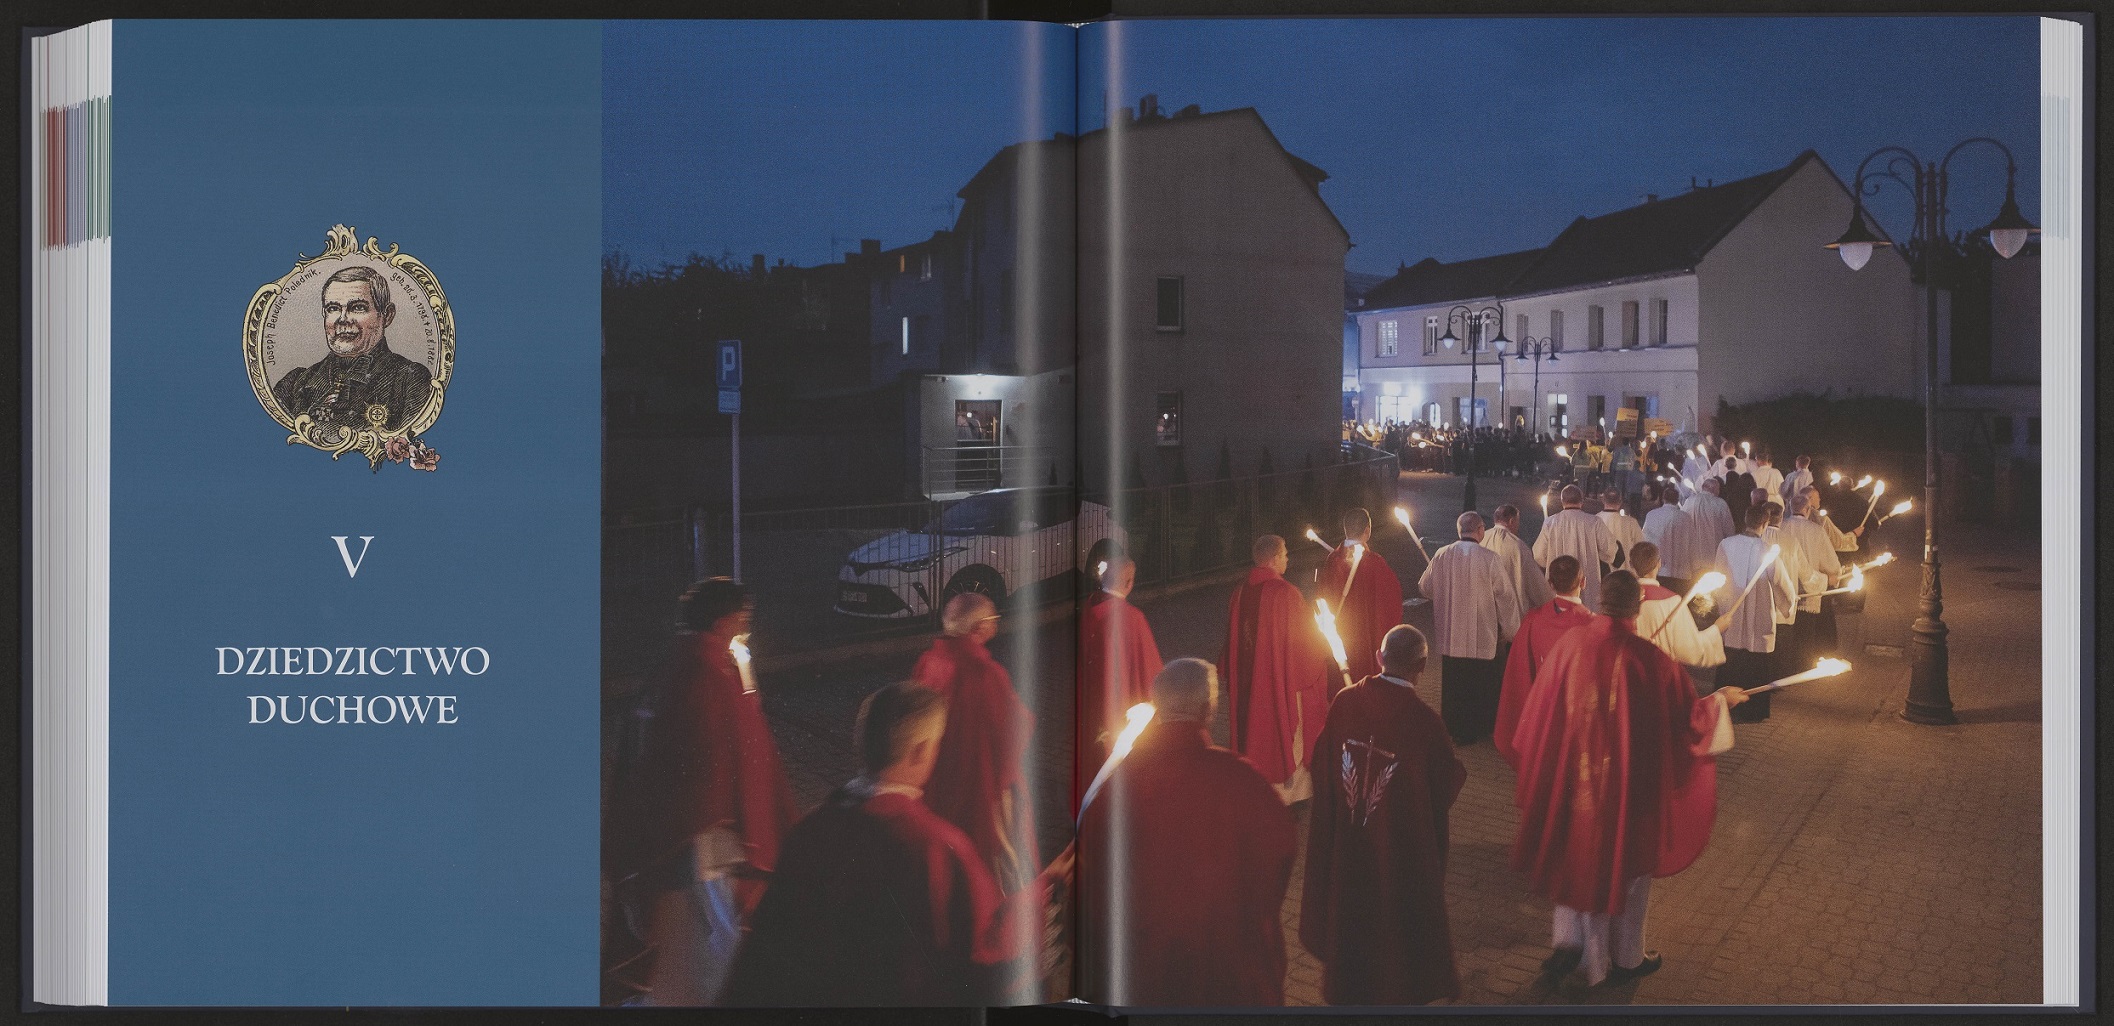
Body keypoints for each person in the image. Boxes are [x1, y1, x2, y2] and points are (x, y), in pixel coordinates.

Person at [723, 683, 1073, 1006]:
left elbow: (769, 949)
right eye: (937, 744)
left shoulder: (810, 829)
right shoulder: (938, 847)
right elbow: (988, 950)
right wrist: (1043, 888)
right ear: (920, 752)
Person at [1511, 571, 1749, 988]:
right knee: (1628, 870)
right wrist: (1720, 702)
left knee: (1575, 856)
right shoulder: (1649, 659)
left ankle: (1569, 944)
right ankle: (1620, 958)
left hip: (1574, 778)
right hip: (1625, 786)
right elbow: (1686, 720)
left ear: (1601, 601)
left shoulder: (1570, 645)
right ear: (1637, 607)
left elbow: (1541, 708)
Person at [615, 578, 797, 1006]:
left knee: (698, 934)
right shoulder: (708, 676)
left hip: (683, 831)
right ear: (724, 621)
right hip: (703, 835)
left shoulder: (676, 666)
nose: (745, 627)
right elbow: (730, 757)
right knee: (709, 936)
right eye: (741, 618)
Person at [1078, 659, 1298, 1006]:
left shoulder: (1116, 786)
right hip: (1223, 965)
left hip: (1144, 968)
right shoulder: (1242, 779)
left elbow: (1092, 871)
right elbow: (1279, 852)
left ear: (1157, 708)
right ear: (1209, 709)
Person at [1300, 625, 1466, 1005]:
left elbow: (1321, 765)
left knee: (1352, 919)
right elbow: (1443, 787)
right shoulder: (1426, 721)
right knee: (1395, 928)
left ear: (1379, 658)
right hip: (1397, 853)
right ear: (1422, 667)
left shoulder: (1344, 702)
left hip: (1350, 848)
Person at [913, 594, 1038, 899]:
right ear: (979, 627)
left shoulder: (928, 661)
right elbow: (1012, 729)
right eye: (994, 619)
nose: (997, 624)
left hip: (940, 778)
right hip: (982, 783)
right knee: (995, 859)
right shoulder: (987, 673)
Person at [1222, 534, 1331, 803]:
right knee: (1287, 732)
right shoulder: (1286, 594)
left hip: (1249, 687)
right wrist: (1322, 643)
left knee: (1251, 731)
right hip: (1281, 683)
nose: (1287, 559)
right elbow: (1305, 646)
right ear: (1273, 559)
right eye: (1285, 554)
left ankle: (1253, 786)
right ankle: (1288, 794)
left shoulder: (1239, 593)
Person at [270, 265, 435, 433]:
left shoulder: (410, 380)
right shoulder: (294, 383)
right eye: (333, 308)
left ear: (387, 315)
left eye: (357, 307)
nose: (342, 319)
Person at [1419, 511, 1520, 745]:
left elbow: (1425, 587)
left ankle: (1453, 726)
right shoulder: (1490, 558)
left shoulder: (1442, 554)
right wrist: (1511, 630)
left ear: (1459, 530)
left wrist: (1444, 587)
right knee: (1479, 681)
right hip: (1481, 632)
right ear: (1481, 530)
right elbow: (1506, 597)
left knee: (1455, 681)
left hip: (1451, 632)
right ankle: (1478, 727)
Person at [1078, 540, 1163, 813]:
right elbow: (1153, 673)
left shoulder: (1089, 608)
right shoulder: (1132, 618)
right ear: (1129, 582)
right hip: (1120, 703)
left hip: (1092, 701)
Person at [1494, 555, 1594, 770]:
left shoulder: (1533, 619)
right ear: (1583, 582)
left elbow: (1519, 671)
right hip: (1578, 718)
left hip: (1544, 713)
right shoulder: (1593, 625)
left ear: (1550, 584)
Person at [1712, 505, 1799, 723]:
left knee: (1731, 658)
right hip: (1758, 614)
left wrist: (1721, 602)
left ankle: (1724, 706)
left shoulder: (1726, 544)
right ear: (1765, 524)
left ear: (1745, 520)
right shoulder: (1767, 551)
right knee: (1755, 662)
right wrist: (1789, 604)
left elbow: (1718, 575)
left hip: (1731, 610)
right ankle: (1753, 710)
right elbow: (1781, 583)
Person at [1319, 508, 1406, 686]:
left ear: (1345, 529)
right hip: (1366, 640)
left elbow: (1321, 598)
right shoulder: (1375, 563)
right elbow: (1391, 605)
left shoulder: (1332, 560)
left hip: (1340, 636)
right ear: (1367, 530)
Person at [1629, 542, 1726, 670]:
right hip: (1660, 673)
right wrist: (1716, 629)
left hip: (1628, 672)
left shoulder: (1621, 600)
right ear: (1659, 563)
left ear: (1631, 564)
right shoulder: (1671, 602)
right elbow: (1690, 649)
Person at [1776, 489, 1845, 666]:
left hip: (1783, 589)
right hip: (1809, 590)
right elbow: (1831, 563)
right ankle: (1803, 665)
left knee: (1784, 634)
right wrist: (1833, 574)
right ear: (1807, 510)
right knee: (1805, 634)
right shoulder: (1816, 530)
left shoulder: (1780, 527)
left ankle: (1785, 667)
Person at [1533, 484, 1622, 613]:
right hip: (1587, 582)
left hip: (1559, 584)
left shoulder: (1550, 523)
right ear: (1582, 501)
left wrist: (1552, 566)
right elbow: (1610, 550)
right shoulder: (1594, 522)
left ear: (1562, 501)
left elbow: (1538, 555)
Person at [1481, 503, 1554, 624]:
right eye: (1517, 522)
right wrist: (1550, 601)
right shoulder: (1518, 546)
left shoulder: (1482, 540)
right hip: (1511, 615)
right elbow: (1535, 583)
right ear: (1511, 521)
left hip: (1485, 612)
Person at [1642, 486, 1697, 594]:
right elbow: (1693, 545)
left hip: (1659, 571)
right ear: (1677, 500)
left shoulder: (1652, 515)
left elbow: (1646, 541)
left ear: (1663, 498)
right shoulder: (1686, 518)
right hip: (1682, 572)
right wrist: (1695, 567)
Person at [1683, 477, 1736, 550]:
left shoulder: (1689, 501)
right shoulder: (1720, 503)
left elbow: (1682, 521)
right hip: (1714, 546)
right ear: (1714, 489)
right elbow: (1728, 528)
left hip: (1693, 547)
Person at [1599, 487, 1646, 567]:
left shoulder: (1595, 521)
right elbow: (1640, 547)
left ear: (1603, 500)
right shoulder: (1631, 523)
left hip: (1601, 572)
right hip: (1626, 570)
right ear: (1620, 501)